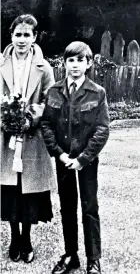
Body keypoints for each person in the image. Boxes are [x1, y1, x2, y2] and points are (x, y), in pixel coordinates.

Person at [41, 41, 110, 274]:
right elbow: (47, 125)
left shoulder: (97, 92)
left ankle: (93, 259)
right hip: (63, 161)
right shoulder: (54, 91)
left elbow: (102, 129)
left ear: (89, 64)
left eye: (81, 60)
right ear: (64, 63)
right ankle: (71, 256)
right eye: (71, 60)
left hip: (86, 162)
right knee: (67, 207)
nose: (75, 65)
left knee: (90, 208)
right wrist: (59, 154)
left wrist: (83, 158)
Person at [0, 14, 56, 263]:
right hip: (5, 136)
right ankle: (13, 238)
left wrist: (30, 118)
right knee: (10, 187)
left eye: (27, 35)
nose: (21, 39)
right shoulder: (1, 64)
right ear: (11, 36)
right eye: (17, 34)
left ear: (34, 37)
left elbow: (50, 100)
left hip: (32, 137)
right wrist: (6, 117)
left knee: (28, 189)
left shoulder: (44, 68)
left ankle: (27, 237)